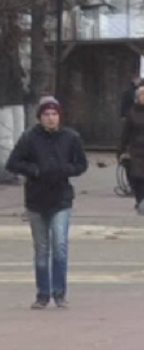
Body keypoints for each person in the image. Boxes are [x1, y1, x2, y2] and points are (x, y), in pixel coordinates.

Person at [5, 96, 88, 309]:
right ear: (40, 117)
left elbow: (81, 164)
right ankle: (43, 294)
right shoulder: (29, 138)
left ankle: (59, 292)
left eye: (54, 114)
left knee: (59, 245)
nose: (50, 118)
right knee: (41, 249)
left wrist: (66, 170)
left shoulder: (71, 137)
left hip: (61, 198)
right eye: (46, 115)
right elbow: (13, 163)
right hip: (36, 199)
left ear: (60, 116)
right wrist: (33, 170)